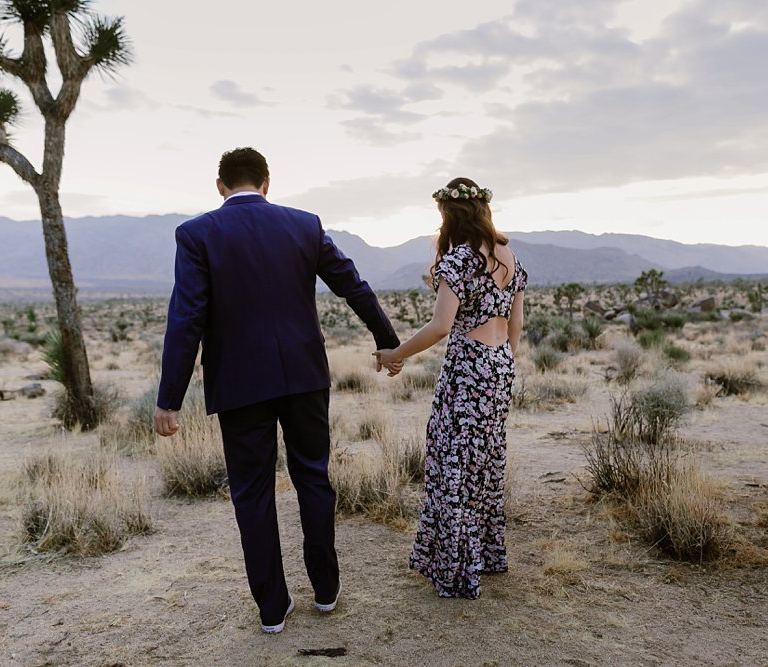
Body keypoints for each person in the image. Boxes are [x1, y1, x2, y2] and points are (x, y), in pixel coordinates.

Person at [153, 147, 402, 634]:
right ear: (267, 183)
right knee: (313, 476)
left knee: (252, 493)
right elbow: (352, 283)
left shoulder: (197, 234)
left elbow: (186, 318)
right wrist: (386, 339)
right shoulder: (304, 225)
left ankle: (272, 609)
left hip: (240, 383)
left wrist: (170, 398)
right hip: (304, 375)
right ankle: (326, 590)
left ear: (221, 186)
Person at [374, 177, 527, 599]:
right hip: (499, 368)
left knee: (452, 465)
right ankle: (487, 555)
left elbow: (441, 326)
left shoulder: (459, 260)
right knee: (484, 465)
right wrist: (502, 366)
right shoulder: (509, 256)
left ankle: (458, 570)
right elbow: (516, 327)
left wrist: (396, 353)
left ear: (450, 215)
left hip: (467, 370)